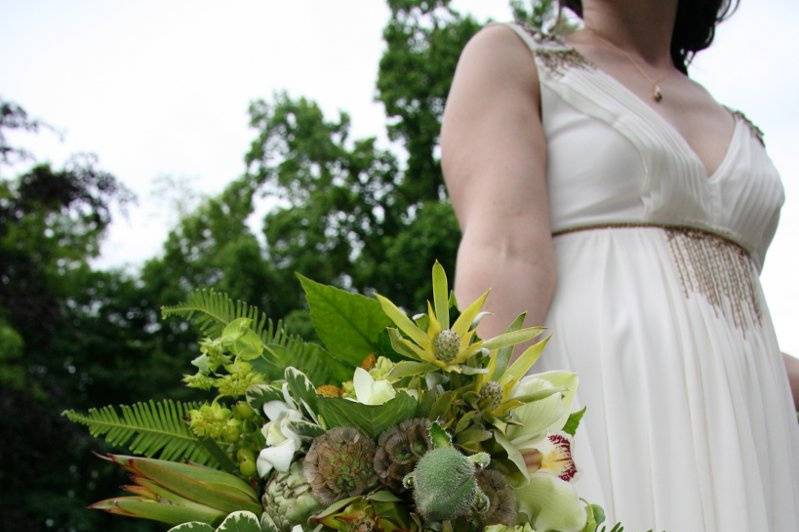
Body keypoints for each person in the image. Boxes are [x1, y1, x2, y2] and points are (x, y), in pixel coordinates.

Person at [439, 0, 799, 530]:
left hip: (751, 434)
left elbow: (724, 328)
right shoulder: (516, 58)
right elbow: (505, 255)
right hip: (600, 414)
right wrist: (480, 444)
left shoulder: (736, 119)